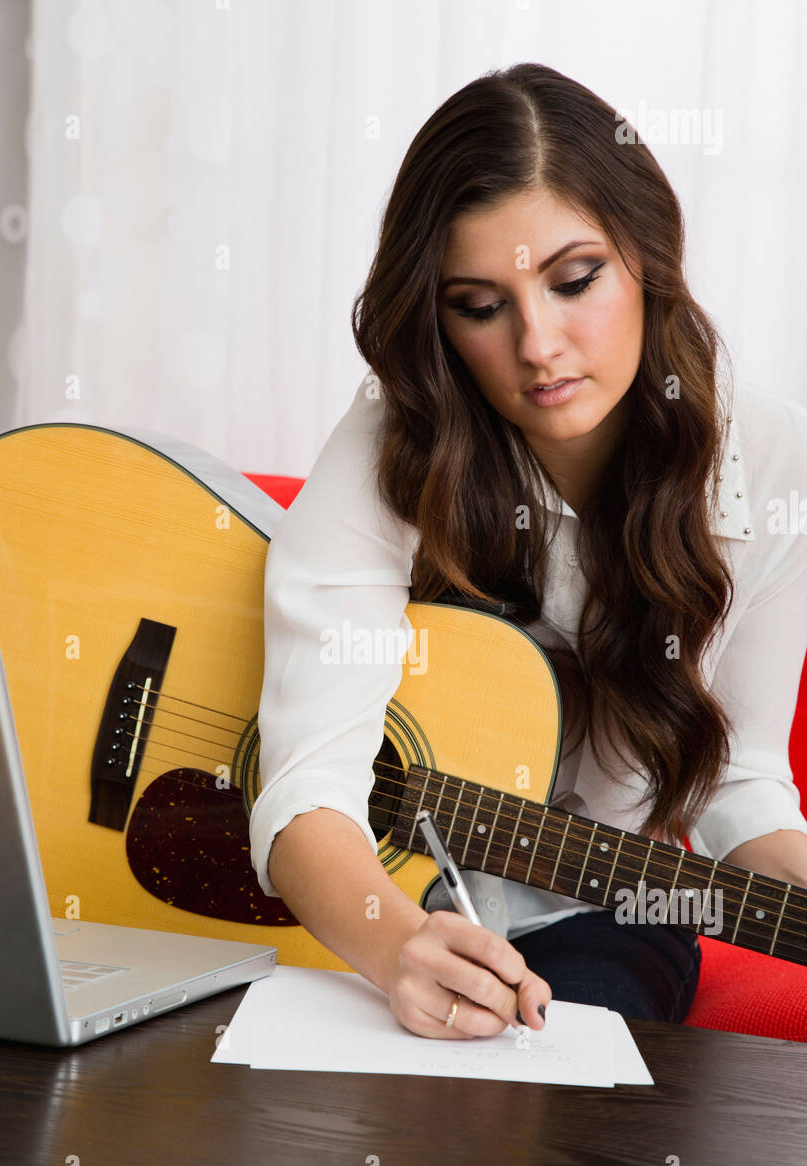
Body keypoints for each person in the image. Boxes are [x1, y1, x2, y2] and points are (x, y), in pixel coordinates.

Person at [248, 62, 807, 1040]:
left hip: (597, 910)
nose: (539, 344)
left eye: (573, 280)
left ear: (647, 257)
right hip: (373, 906)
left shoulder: (771, 465)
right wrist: (391, 941)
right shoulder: (395, 434)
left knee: (539, 1107)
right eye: (479, 304)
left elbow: (736, 771)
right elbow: (305, 774)